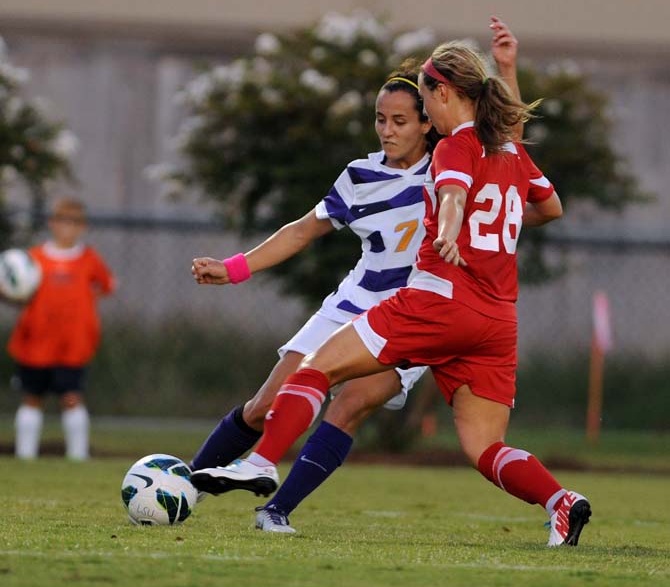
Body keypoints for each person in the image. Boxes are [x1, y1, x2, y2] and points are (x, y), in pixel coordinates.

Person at [194, 37, 592, 548]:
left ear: (439, 102)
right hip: (494, 319)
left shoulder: (453, 149)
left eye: (417, 109)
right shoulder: (502, 152)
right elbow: (545, 198)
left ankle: (261, 468)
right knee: (484, 445)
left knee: (318, 370)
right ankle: (561, 501)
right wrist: (508, 71)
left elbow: (451, 192)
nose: (393, 127)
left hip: (435, 303)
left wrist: (450, 228)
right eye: (382, 119)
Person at [7, 196, 116, 460]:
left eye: (74, 222)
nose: (67, 227)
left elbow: (107, 285)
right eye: (62, 221)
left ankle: (77, 457)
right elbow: (16, 291)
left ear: (82, 227)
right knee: (32, 398)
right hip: (36, 342)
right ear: (51, 223)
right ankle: (25, 456)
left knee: (71, 398)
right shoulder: (33, 258)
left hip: (72, 345)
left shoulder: (89, 259)